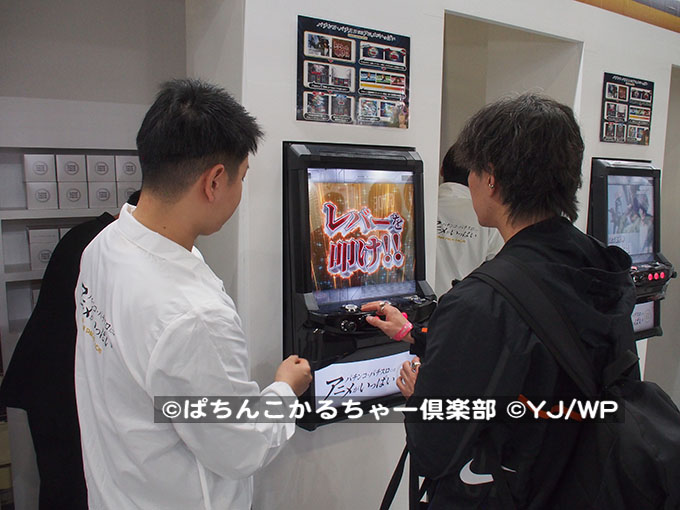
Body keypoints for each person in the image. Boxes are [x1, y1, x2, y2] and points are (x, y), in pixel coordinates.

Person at [363, 93, 637, 508]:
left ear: (490, 178)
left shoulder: (482, 299)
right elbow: (533, 351)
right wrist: (414, 333)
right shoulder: (601, 265)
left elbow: (434, 452)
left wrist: (421, 397)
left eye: (473, 170)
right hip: (586, 484)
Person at [74, 79, 311, 510]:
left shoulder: (104, 246)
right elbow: (240, 448)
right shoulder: (193, 316)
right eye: (242, 177)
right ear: (215, 181)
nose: (240, 191)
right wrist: (284, 389)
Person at [0, 191, 140, 510]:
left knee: (61, 482)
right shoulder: (108, 247)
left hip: (51, 378)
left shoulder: (87, 234)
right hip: (60, 384)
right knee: (69, 485)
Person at [434, 145, 504, 296]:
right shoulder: (492, 219)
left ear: (441, 170)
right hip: (468, 303)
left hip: (414, 305)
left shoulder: (420, 207)